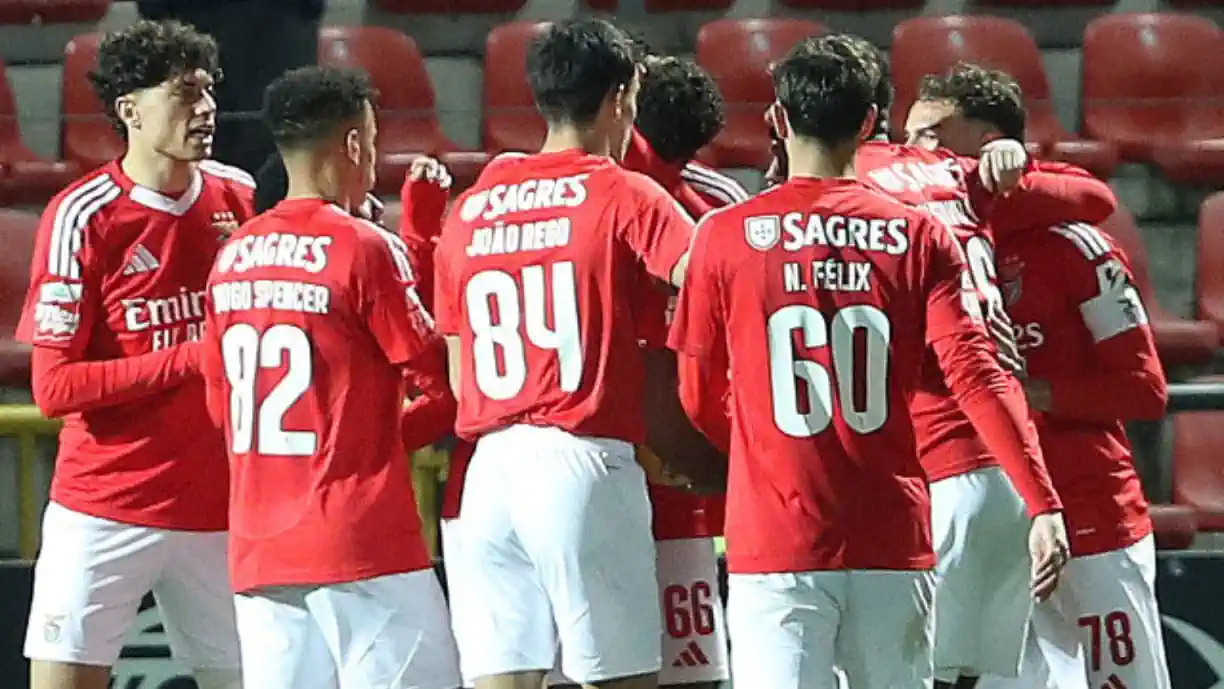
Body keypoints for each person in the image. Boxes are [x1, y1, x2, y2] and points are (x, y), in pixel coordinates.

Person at [668, 42, 1070, 689]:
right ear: (868, 122)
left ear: (776, 118)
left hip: (776, 535)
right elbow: (978, 373)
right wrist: (1042, 501)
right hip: (890, 532)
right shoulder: (919, 235)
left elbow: (696, 392)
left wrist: (766, 453)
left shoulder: (722, 234)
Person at [801, 36, 1118, 689]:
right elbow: (1095, 198)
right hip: (1005, 473)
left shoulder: (854, 181)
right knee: (964, 678)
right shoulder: (957, 174)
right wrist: (1016, 165)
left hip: (932, 467)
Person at [433, 17, 695, 689]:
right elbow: (713, 279)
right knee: (620, 679)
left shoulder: (473, 206)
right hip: (581, 460)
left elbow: (461, 371)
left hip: (486, 473)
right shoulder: (623, 191)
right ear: (621, 96)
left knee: (503, 680)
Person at [910, 63, 1173, 689]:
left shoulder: (1079, 247)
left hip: (1090, 518)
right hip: (994, 529)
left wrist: (1032, 393)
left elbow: (1145, 389)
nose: (913, 153)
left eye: (931, 135)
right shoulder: (920, 242)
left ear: (990, 143)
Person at [199, 65, 460, 689]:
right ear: (352, 145)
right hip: (362, 546)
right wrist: (381, 440)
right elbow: (442, 385)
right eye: (371, 145)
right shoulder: (363, 246)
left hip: (260, 554)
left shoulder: (230, 260)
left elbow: (220, 410)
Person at [16, 20, 252, 689]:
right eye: (184, 94)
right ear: (130, 110)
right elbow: (54, 388)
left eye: (209, 91)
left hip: (220, 509)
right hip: (104, 506)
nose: (205, 109)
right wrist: (188, 357)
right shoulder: (82, 215)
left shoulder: (240, 196)